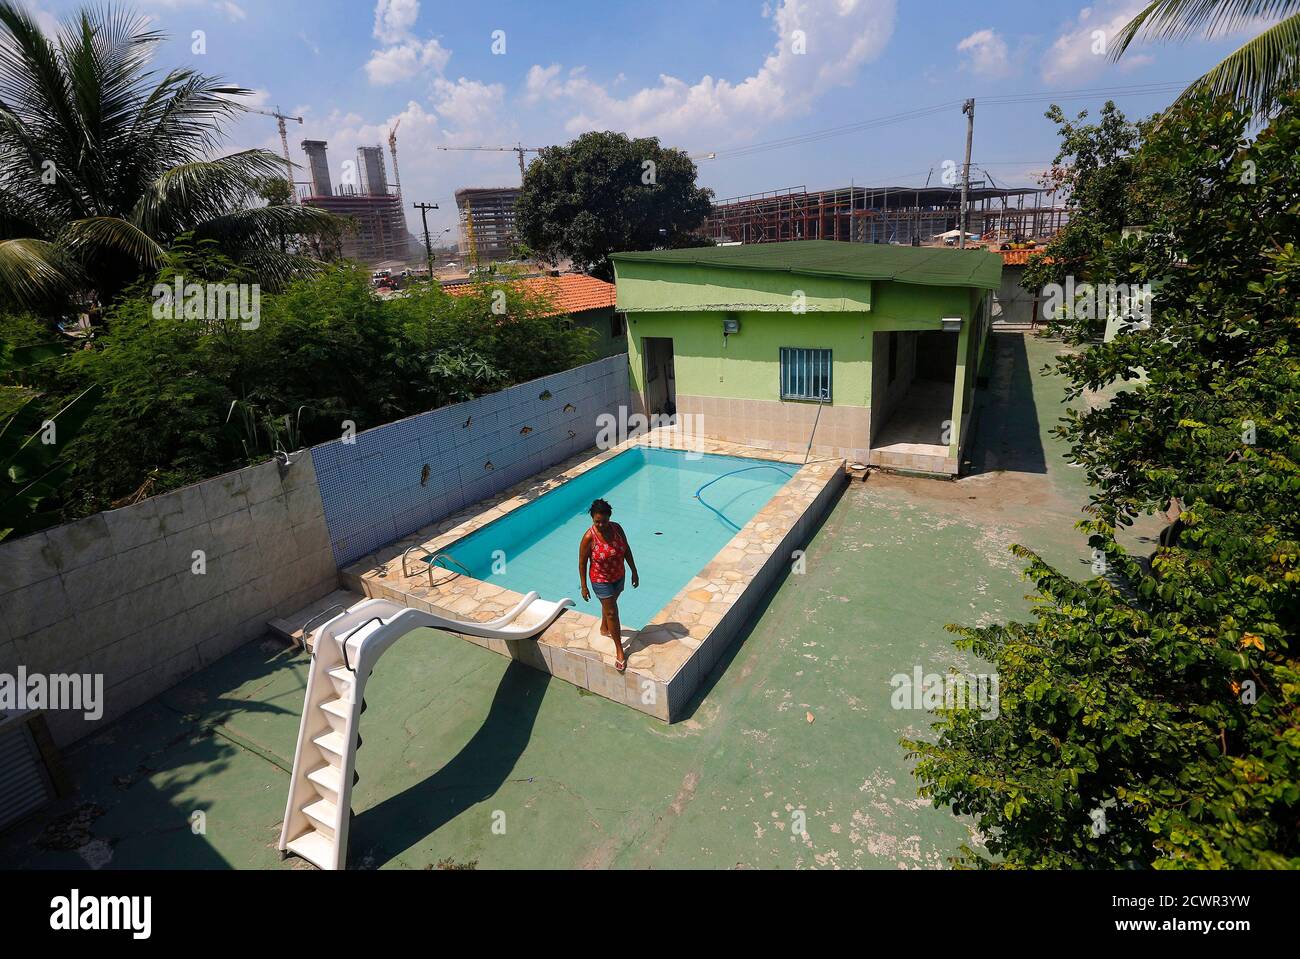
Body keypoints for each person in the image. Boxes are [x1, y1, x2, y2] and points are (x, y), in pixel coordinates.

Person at [578, 498, 639, 672]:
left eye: (604, 521)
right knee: (612, 611)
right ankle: (620, 650)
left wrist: (634, 570)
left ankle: (604, 627)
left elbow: (626, 549)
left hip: (618, 576)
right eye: (597, 521)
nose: (601, 524)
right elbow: (582, 563)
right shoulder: (589, 537)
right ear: (592, 519)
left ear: (609, 518)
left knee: (610, 606)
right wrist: (584, 586)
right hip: (600, 579)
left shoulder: (617, 528)